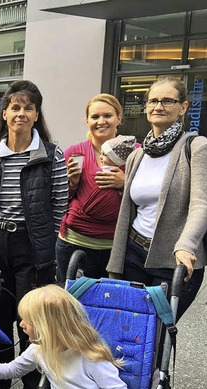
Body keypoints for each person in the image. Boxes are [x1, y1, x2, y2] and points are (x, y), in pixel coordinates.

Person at [0, 80, 68, 388]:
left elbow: (59, 204)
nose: (21, 114)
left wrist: (48, 243)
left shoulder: (51, 155)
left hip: (32, 244)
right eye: (15, 107)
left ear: (36, 114)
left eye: (28, 108)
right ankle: (1, 374)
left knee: (29, 315)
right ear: (4, 114)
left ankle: (31, 374)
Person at [107, 78, 207, 320]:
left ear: (183, 107)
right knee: (127, 330)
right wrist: (115, 262)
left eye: (167, 101)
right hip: (133, 253)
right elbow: (127, 212)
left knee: (157, 334)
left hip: (174, 260)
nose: (158, 106)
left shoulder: (196, 147)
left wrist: (187, 245)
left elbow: (201, 203)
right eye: (153, 100)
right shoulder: (137, 155)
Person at [0, 285, 126, 389]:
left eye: (27, 320)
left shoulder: (91, 357)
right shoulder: (39, 349)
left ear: (46, 327)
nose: (21, 324)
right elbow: (13, 369)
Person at [56, 94, 136, 283]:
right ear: (87, 121)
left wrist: (126, 183)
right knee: (71, 306)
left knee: (109, 306)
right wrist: (71, 184)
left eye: (107, 116)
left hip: (117, 248)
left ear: (119, 118)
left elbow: (148, 200)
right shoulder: (74, 153)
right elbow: (57, 200)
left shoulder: (136, 153)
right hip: (74, 243)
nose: (101, 121)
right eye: (95, 117)